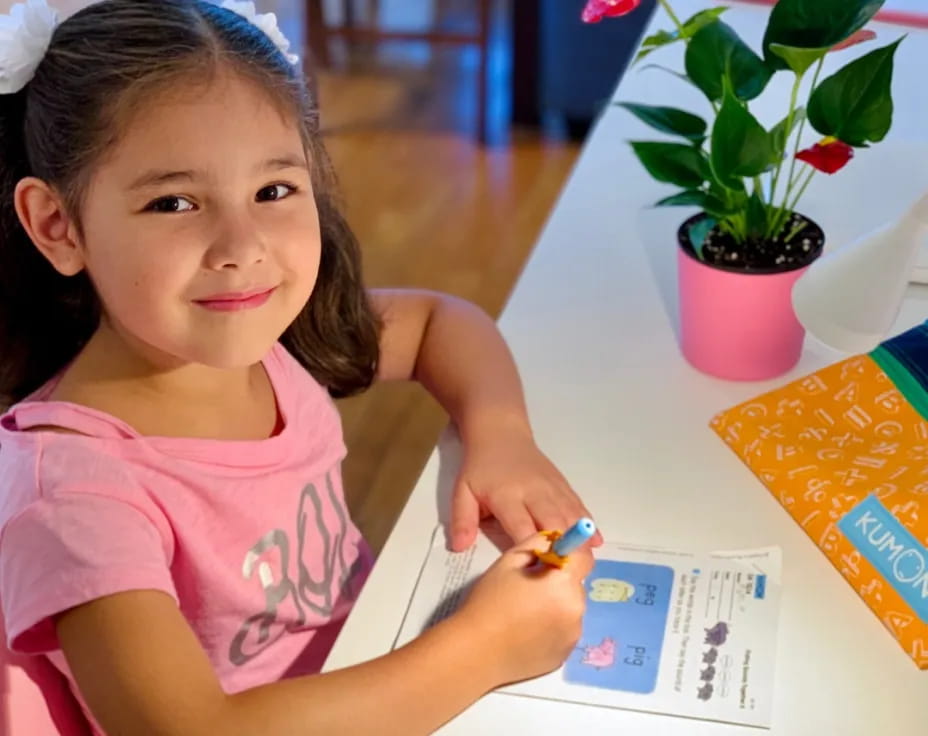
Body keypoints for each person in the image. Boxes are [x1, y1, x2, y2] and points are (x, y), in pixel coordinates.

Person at [0, 1, 601, 733]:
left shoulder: (271, 339)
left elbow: (441, 322)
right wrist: (482, 649)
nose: (242, 246)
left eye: (273, 191)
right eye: (174, 202)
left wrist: (501, 436)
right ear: (57, 226)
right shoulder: (74, 495)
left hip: (385, 663)